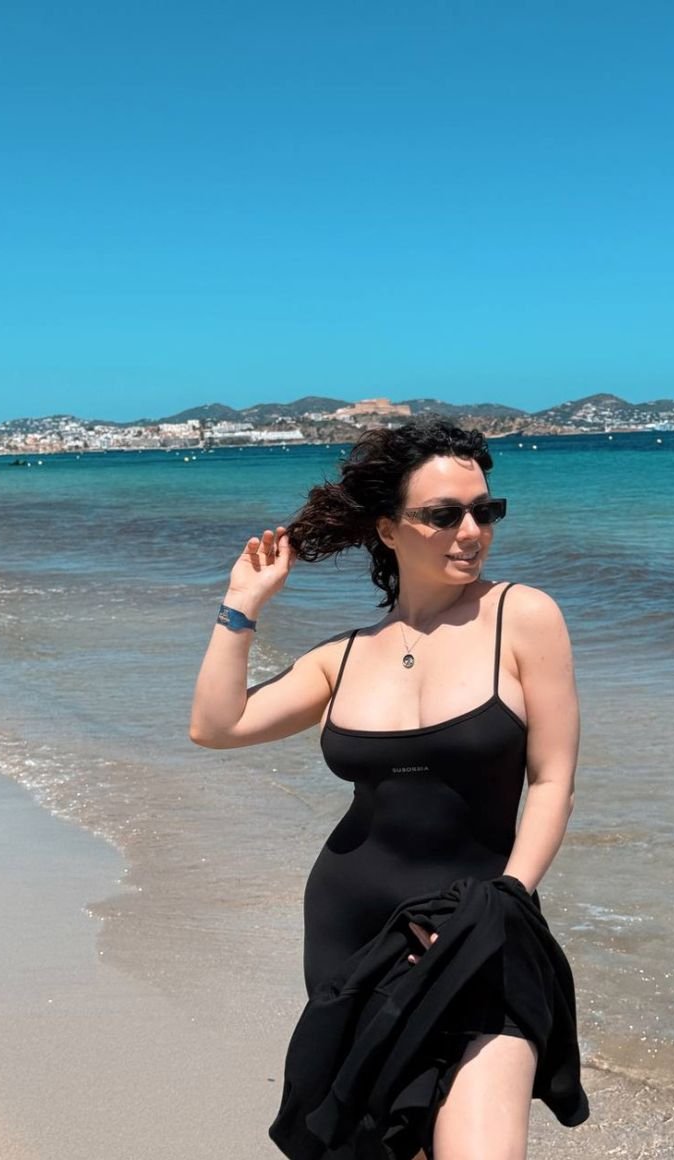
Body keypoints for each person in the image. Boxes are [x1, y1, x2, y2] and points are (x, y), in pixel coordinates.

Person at [190, 416, 587, 1160]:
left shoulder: (523, 617)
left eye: (485, 511)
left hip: (480, 927)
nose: (470, 531)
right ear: (387, 529)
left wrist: (506, 896)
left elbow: (552, 777)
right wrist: (241, 606)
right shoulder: (343, 657)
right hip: (353, 937)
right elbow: (217, 725)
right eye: (444, 514)